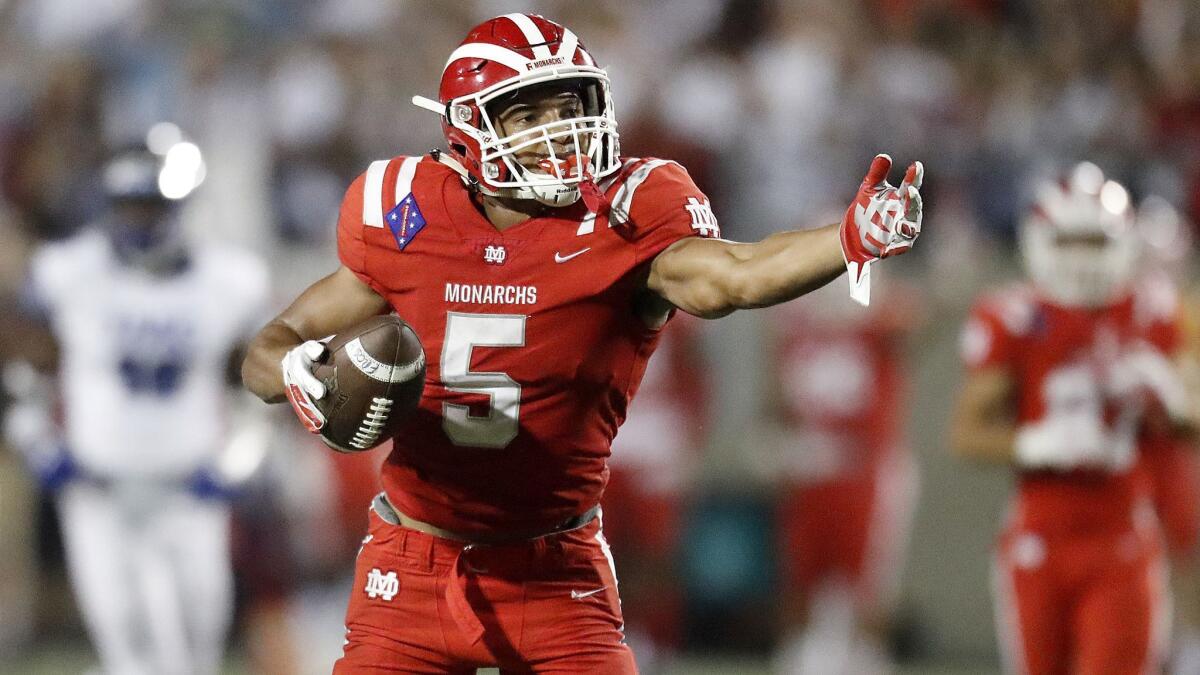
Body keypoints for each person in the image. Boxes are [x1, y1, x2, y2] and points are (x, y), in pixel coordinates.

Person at [241, 13, 924, 673]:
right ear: (469, 128)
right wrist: (300, 374)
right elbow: (274, 343)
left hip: (553, 568)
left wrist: (847, 239)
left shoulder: (627, 212)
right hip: (412, 557)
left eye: (567, 106)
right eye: (529, 114)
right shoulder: (406, 209)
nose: (559, 131)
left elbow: (734, 277)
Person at [4, 134, 270, 675]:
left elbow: (262, 388)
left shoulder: (229, 280)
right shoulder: (69, 271)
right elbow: (22, 362)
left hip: (189, 488)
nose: (139, 219)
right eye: (129, 205)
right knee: (125, 635)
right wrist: (35, 436)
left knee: (198, 638)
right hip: (98, 488)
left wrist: (239, 458)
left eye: (150, 204)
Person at [950, 162, 1198, 675]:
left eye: (1094, 241)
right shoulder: (1017, 317)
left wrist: (1169, 397)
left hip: (1123, 536)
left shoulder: (1153, 312)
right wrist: (1037, 444)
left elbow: (1191, 419)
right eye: (1068, 241)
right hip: (1038, 536)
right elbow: (966, 432)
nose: (1081, 258)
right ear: (1039, 242)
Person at [767, 278, 921, 675]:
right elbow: (776, 404)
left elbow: (918, 316)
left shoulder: (878, 327)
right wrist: (780, 442)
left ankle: (867, 658)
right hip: (812, 470)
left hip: (866, 470)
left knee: (866, 590)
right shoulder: (796, 333)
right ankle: (796, 656)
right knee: (800, 581)